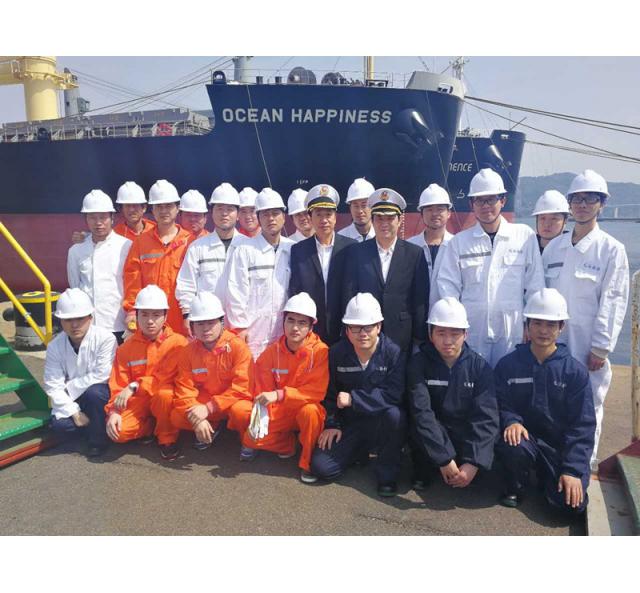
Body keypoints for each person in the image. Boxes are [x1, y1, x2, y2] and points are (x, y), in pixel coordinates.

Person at [542, 169, 629, 468]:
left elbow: (614, 299)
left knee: (589, 402)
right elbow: (540, 291)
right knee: (554, 399)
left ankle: (584, 464)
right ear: (569, 204)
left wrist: (601, 347)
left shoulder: (611, 250)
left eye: (590, 199)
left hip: (587, 343)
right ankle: (553, 460)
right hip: (553, 340)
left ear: (602, 204)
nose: (582, 205)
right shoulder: (555, 247)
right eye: (576, 199)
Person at [494, 288, 595, 514]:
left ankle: (549, 477)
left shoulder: (574, 372)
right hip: (525, 441)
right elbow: (501, 403)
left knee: (571, 507)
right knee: (513, 444)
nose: (543, 330)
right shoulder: (508, 365)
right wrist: (511, 420)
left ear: (561, 327)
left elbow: (582, 425)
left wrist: (572, 470)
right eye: (537, 323)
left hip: (558, 447)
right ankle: (515, 486)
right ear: (527, 325)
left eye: (550, 324)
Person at [432, 168, 544, 367]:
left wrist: (531, 323)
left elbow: (535, 285)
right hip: (472, 329)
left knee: (509, 379)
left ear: (503, 200)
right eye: (479, 200)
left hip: (513, 329)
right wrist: (454, 327)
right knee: (473, 380)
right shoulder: (459, 243)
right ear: (471, 204)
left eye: (491, 199)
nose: (485, 206)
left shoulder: (524, 237)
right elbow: (448, 288)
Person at [310, 293, 406, 497]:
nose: (362, 333)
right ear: (347, 329)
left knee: (395, 415)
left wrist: (354, 399)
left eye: (368, 327)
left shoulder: (393, 353)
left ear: (379, 326)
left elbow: (393, 395)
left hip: (380, 423)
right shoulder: (336, 353)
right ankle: (358, 452)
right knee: (321, 467)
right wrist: (332, 424)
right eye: (355, 327)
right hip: (350, 424)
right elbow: (329, 395)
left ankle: (387, 474)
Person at [227, 293, 329, 483]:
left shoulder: (320, 351)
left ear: (311, 326)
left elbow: (316, 392)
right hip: (277, 411)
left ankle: (307, 462)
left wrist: (280, 394)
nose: (295, 328)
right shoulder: (271, 352)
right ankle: (286, 444)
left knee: (311, 412)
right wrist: (265, 421)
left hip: (301, 411)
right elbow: (261, 392)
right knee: (239, 411)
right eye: (290, 321)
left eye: (302, 323)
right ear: (283, 322)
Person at [407, 297, 498, 491]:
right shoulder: (418, 363)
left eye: (455, 334)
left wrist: (473, 463)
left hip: (465, 438)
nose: (447, 341)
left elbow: (486, 417)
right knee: (415, 424)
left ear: (465, 334)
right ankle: (427, 469)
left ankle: (466, 467)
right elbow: (422, 412)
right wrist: (443, 458)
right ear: (431, 334)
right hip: (433, 437)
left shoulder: (479, 368)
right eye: (441, 333)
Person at [105, 285, 188, 460]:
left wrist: (135, 385)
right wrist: (114, 412)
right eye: (144, 315)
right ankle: (149, 427)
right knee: (118, 432)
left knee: (164, 394)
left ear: (165, 316)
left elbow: (165, 379)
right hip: (139, 400)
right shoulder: (126, 348)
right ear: (136, 316)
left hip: (165, 398)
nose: (150, 321)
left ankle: (167, 438)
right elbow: (117, 384)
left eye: (156, 315)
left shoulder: (178, 343)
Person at [342, 188, 429, 353]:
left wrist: (419, 341)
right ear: (373, 220)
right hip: (365, 335)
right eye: (379, 218)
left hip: (402, 336)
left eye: (390, 218)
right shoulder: (357, 253)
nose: (384, 223)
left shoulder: (415, 254)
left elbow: (419, 302)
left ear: (399, 220)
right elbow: (348, 294)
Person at [171, 292, 253, 450]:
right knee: (176, 416)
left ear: (222, 322)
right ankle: (212, 426)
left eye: (211, 322)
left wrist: (209, 407)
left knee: (242, 412)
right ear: (192, 326)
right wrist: (198, 419)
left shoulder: (237, 347)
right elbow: (184, 390)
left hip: (231, 403)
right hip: (206, 405)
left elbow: (242, 388)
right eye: (200, 324)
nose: (206, 329)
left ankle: (248, 440)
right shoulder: (187, 352)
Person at [44, 288, 117, 457]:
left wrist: (69, 387)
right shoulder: (54, 346)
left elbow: (102, 374)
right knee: (60, 427)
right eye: (68, 320)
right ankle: (94, 426)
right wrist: (74, 412)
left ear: (90, 317)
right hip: (73, 399)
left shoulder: (106, 338)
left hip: (98, 395)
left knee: (95, 393)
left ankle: (97, 441)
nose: (74, 325)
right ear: (61, 321)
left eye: (80, 319)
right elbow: (53, 385)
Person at [224, 187, 294, 359]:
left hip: (286, 333)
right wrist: (240, 328)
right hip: (254, 333)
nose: (271, 219)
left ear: (284, 216)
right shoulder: (244, 251)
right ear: (258, 218)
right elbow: (235, 292)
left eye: (275, 213)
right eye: (265, 214)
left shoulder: (293, 249)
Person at [289, 184, 356, 345]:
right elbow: (295, 289)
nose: (324, 220)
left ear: (335, 217)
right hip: (311, 330)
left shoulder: (350, 248)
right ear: (310, 217)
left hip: (344, 328)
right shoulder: (299, 250)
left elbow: (355, 288)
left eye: (328, 214)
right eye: (318, 214)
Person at [122, 179, 192, 335]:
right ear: (152, 210)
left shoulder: (190, 242)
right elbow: (132, 278)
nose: (164, 211)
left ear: (177, 208)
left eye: (168, 206)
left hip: (181, 319)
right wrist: (132, 311)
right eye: (159, 206)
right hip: (150, 320)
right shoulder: (141, 242)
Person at [176, 182, 244, 329]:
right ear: (211, 213)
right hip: (207, 323)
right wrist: (187, 314)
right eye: (219, 208)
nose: (224, 213)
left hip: (242, 323)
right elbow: (186, 284)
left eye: (230, 209)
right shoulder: (197, 247)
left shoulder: (249, 247)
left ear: (238, 214)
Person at [67, 190, 131, 342]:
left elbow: (133, 284)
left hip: (119, 323)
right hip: (88, 325)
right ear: (86, 219)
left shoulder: (126, 246)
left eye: (103, 217)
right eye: (92, 217)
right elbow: (75, 286)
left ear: (112, 218)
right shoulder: (76, 251)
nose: (98, 222)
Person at [70, 181, 156, 244]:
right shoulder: (116, 233)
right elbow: (99, 237)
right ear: (120, 209)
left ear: (144, 208)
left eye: (135, 205)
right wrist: (85, 237)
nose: (131, 209)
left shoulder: (156, 230)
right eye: (127, 206)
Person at [407, 183, 454, 280]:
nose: (435, 213)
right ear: (421, 214)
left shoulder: (457, 245)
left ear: (449, 213)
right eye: (429, 209)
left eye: (440, 209)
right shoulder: (409, 246)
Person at [337, 178, 375, 242]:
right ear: (350, 208)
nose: (360, 211)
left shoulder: (381, 235)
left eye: (364, 205)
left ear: (372, 207)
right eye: (356, 206)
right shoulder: (340, 238)